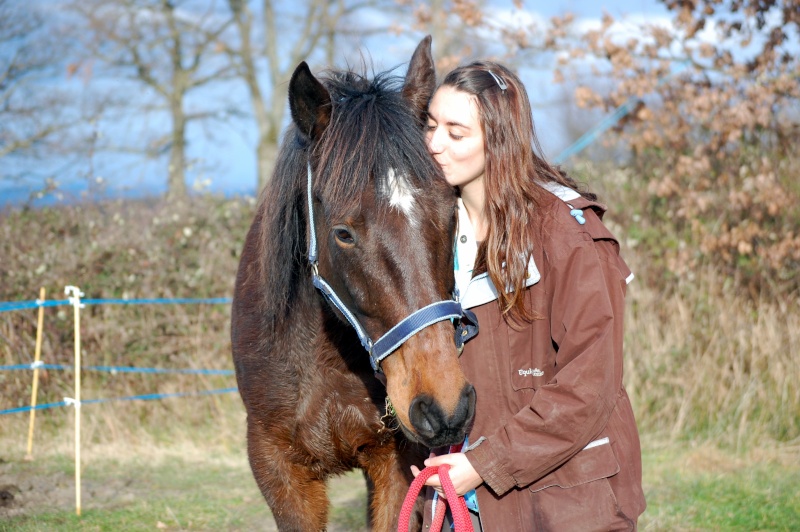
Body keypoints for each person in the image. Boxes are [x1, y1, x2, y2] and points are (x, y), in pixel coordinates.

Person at [410, 60, 647, 530]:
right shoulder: (426, 234)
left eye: (456, 133)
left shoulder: (565, 233)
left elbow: (589, 384)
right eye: (431, 126)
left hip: (563, 504)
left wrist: (484, 465)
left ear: (498, 138)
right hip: (459, 499)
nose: (433, 145)